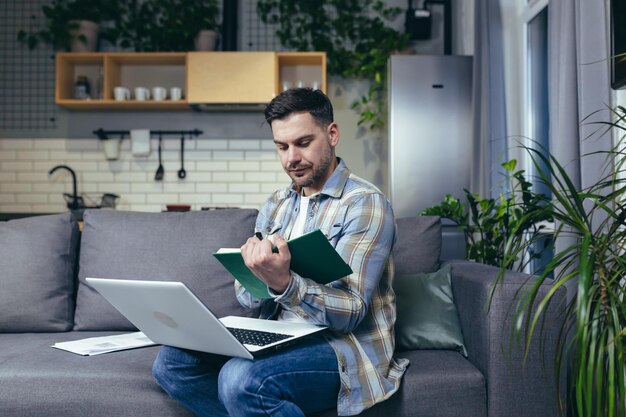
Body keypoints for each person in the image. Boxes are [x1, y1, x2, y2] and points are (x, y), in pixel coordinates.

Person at [152, 88, 408, 417]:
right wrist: (254, 273)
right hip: (279, 335)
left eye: (303, 143)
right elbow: (248, 299)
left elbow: (352, 313)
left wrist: (285, 283)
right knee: (171, 363)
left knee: (239, 380)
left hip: (341, 347)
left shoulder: (364, 204)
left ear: (332, 134)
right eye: (281, 146)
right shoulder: (276, 204)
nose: (291, 158)